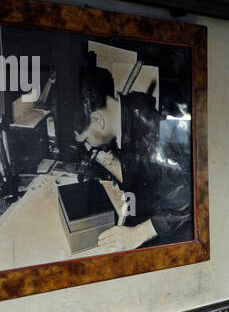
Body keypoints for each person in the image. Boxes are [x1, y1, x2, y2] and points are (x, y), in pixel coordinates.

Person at [74, 57, 193, 250]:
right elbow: (146, 180)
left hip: (180, 235)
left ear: (97, 120)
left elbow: (186, 203)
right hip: (156, 209)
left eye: (86, 140)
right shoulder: (128, 110)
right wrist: (111, 162)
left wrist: (138, 233)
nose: (88, 147)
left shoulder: (154, 132)